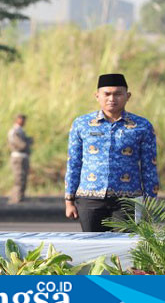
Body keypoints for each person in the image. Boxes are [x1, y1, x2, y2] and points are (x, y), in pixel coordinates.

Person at [63, 73, 159, 232]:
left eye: (118, 94)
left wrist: (150, 202)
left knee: (123, 249)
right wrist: (69, 200)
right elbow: (73, 163)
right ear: (97, 96)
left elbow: (149, 167)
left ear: (128, 96)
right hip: (89, 198)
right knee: (92, 249)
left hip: (127, 199)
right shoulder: (82, 124)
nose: (112, 98)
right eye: (107, 94)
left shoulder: (142, 126)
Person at [7, 114, 33, 204]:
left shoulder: (20, 131)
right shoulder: (14, 131)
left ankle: (20, 198)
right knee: (19, 178)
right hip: (18, 157)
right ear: (16, 120)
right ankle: (15, 199)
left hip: (23, 157)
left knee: (23, 178)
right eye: (21, 120)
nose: (23, 122)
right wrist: (27, 142)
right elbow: (21, 145)